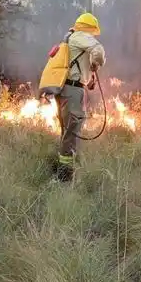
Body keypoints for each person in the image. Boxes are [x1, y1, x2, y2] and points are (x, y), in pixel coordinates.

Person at [54, 12, 106, 181]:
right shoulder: (80, 36)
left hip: (66, 88)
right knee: (71, 130)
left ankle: (65, 168)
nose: (92, 36)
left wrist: (88, 78)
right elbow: (98, 50)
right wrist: (96, 63)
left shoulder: (70, 38)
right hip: (72, 90)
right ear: (89, 29)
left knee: (67, 130)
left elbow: (76, 66)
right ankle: (65, 175)